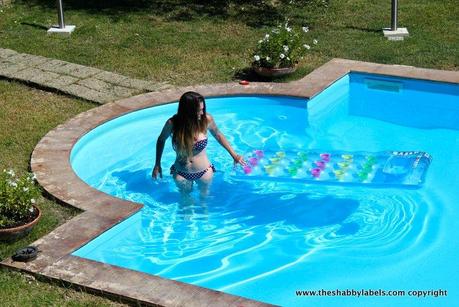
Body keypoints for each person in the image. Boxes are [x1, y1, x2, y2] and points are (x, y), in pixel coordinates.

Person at [152, 91, 245, 195]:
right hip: (181, 172)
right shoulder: (173, 123)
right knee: (186, 203)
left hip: (204, 171)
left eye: (203, 109)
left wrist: (234, 155)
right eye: (198, 110)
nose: (202, 113)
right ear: (187, 111)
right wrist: (157, 164)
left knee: (204, 202)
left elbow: (218, 135)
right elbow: (161, 140)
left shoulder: (206, 120)